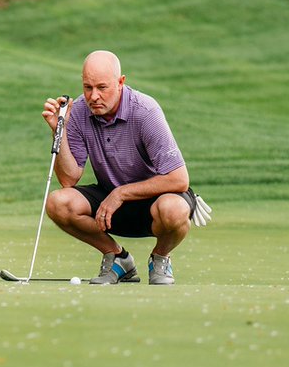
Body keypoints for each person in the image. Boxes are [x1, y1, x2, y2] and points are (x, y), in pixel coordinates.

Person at [41, 50, 196, 285]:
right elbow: (69, 179)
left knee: (173, 209)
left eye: (102, 88)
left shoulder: (145, 111)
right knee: (58, 202)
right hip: (110, 203)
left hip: (154, 200)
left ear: (121, 82)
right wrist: (58, 131)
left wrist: (121, 193)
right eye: (87, 87)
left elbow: (179, 179)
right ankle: (118, 258)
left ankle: (160, 257)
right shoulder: (80, 110)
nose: (93, 96)